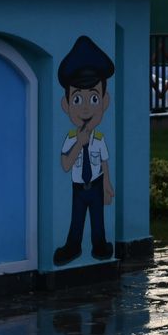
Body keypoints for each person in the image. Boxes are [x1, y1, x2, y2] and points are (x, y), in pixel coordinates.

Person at [55, 34, 116, 266]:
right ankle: (73, 246)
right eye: (78, 100)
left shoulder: (99, 139)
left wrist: (108, 185)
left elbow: (104, 162)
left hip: (97, 183)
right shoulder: (71, 139)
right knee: (77, 218)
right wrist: (79, 143)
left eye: (94, 98)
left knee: (98, 218)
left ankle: (100, 246)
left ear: (105, 101)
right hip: (78, 186)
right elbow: (65, 165)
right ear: (66, 104)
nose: (87, 108)